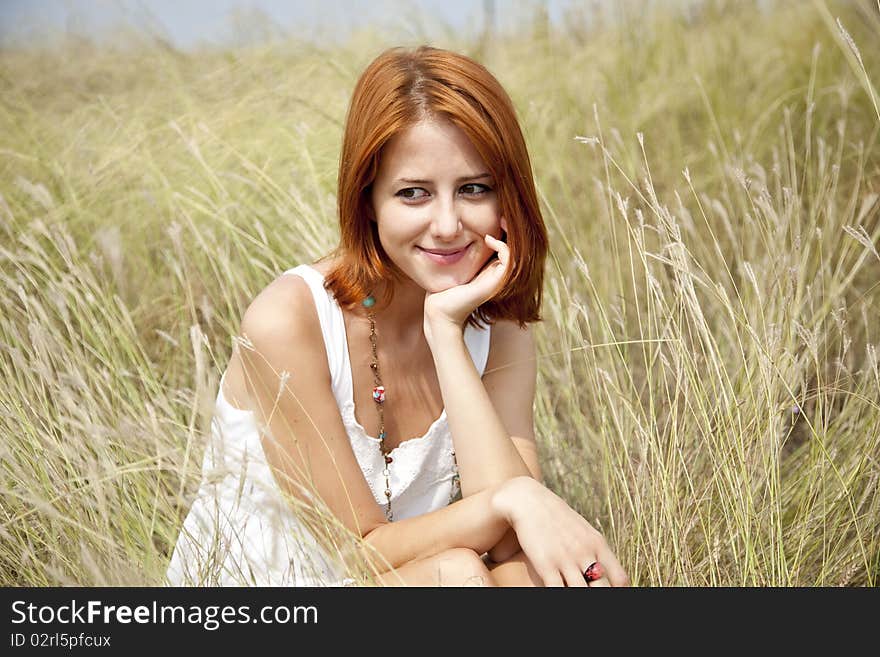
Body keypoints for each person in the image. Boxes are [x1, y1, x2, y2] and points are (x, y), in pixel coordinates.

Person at [166, 45, 629, 587]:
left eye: (474, 189)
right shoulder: (288, 321)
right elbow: (357, 554)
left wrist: (447, 332)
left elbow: (514, 537)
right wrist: (514, 498)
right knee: (455, 577)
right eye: (414, 194)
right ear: (367, 200)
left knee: (534, 575)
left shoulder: (496, 326)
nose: (448, 225)